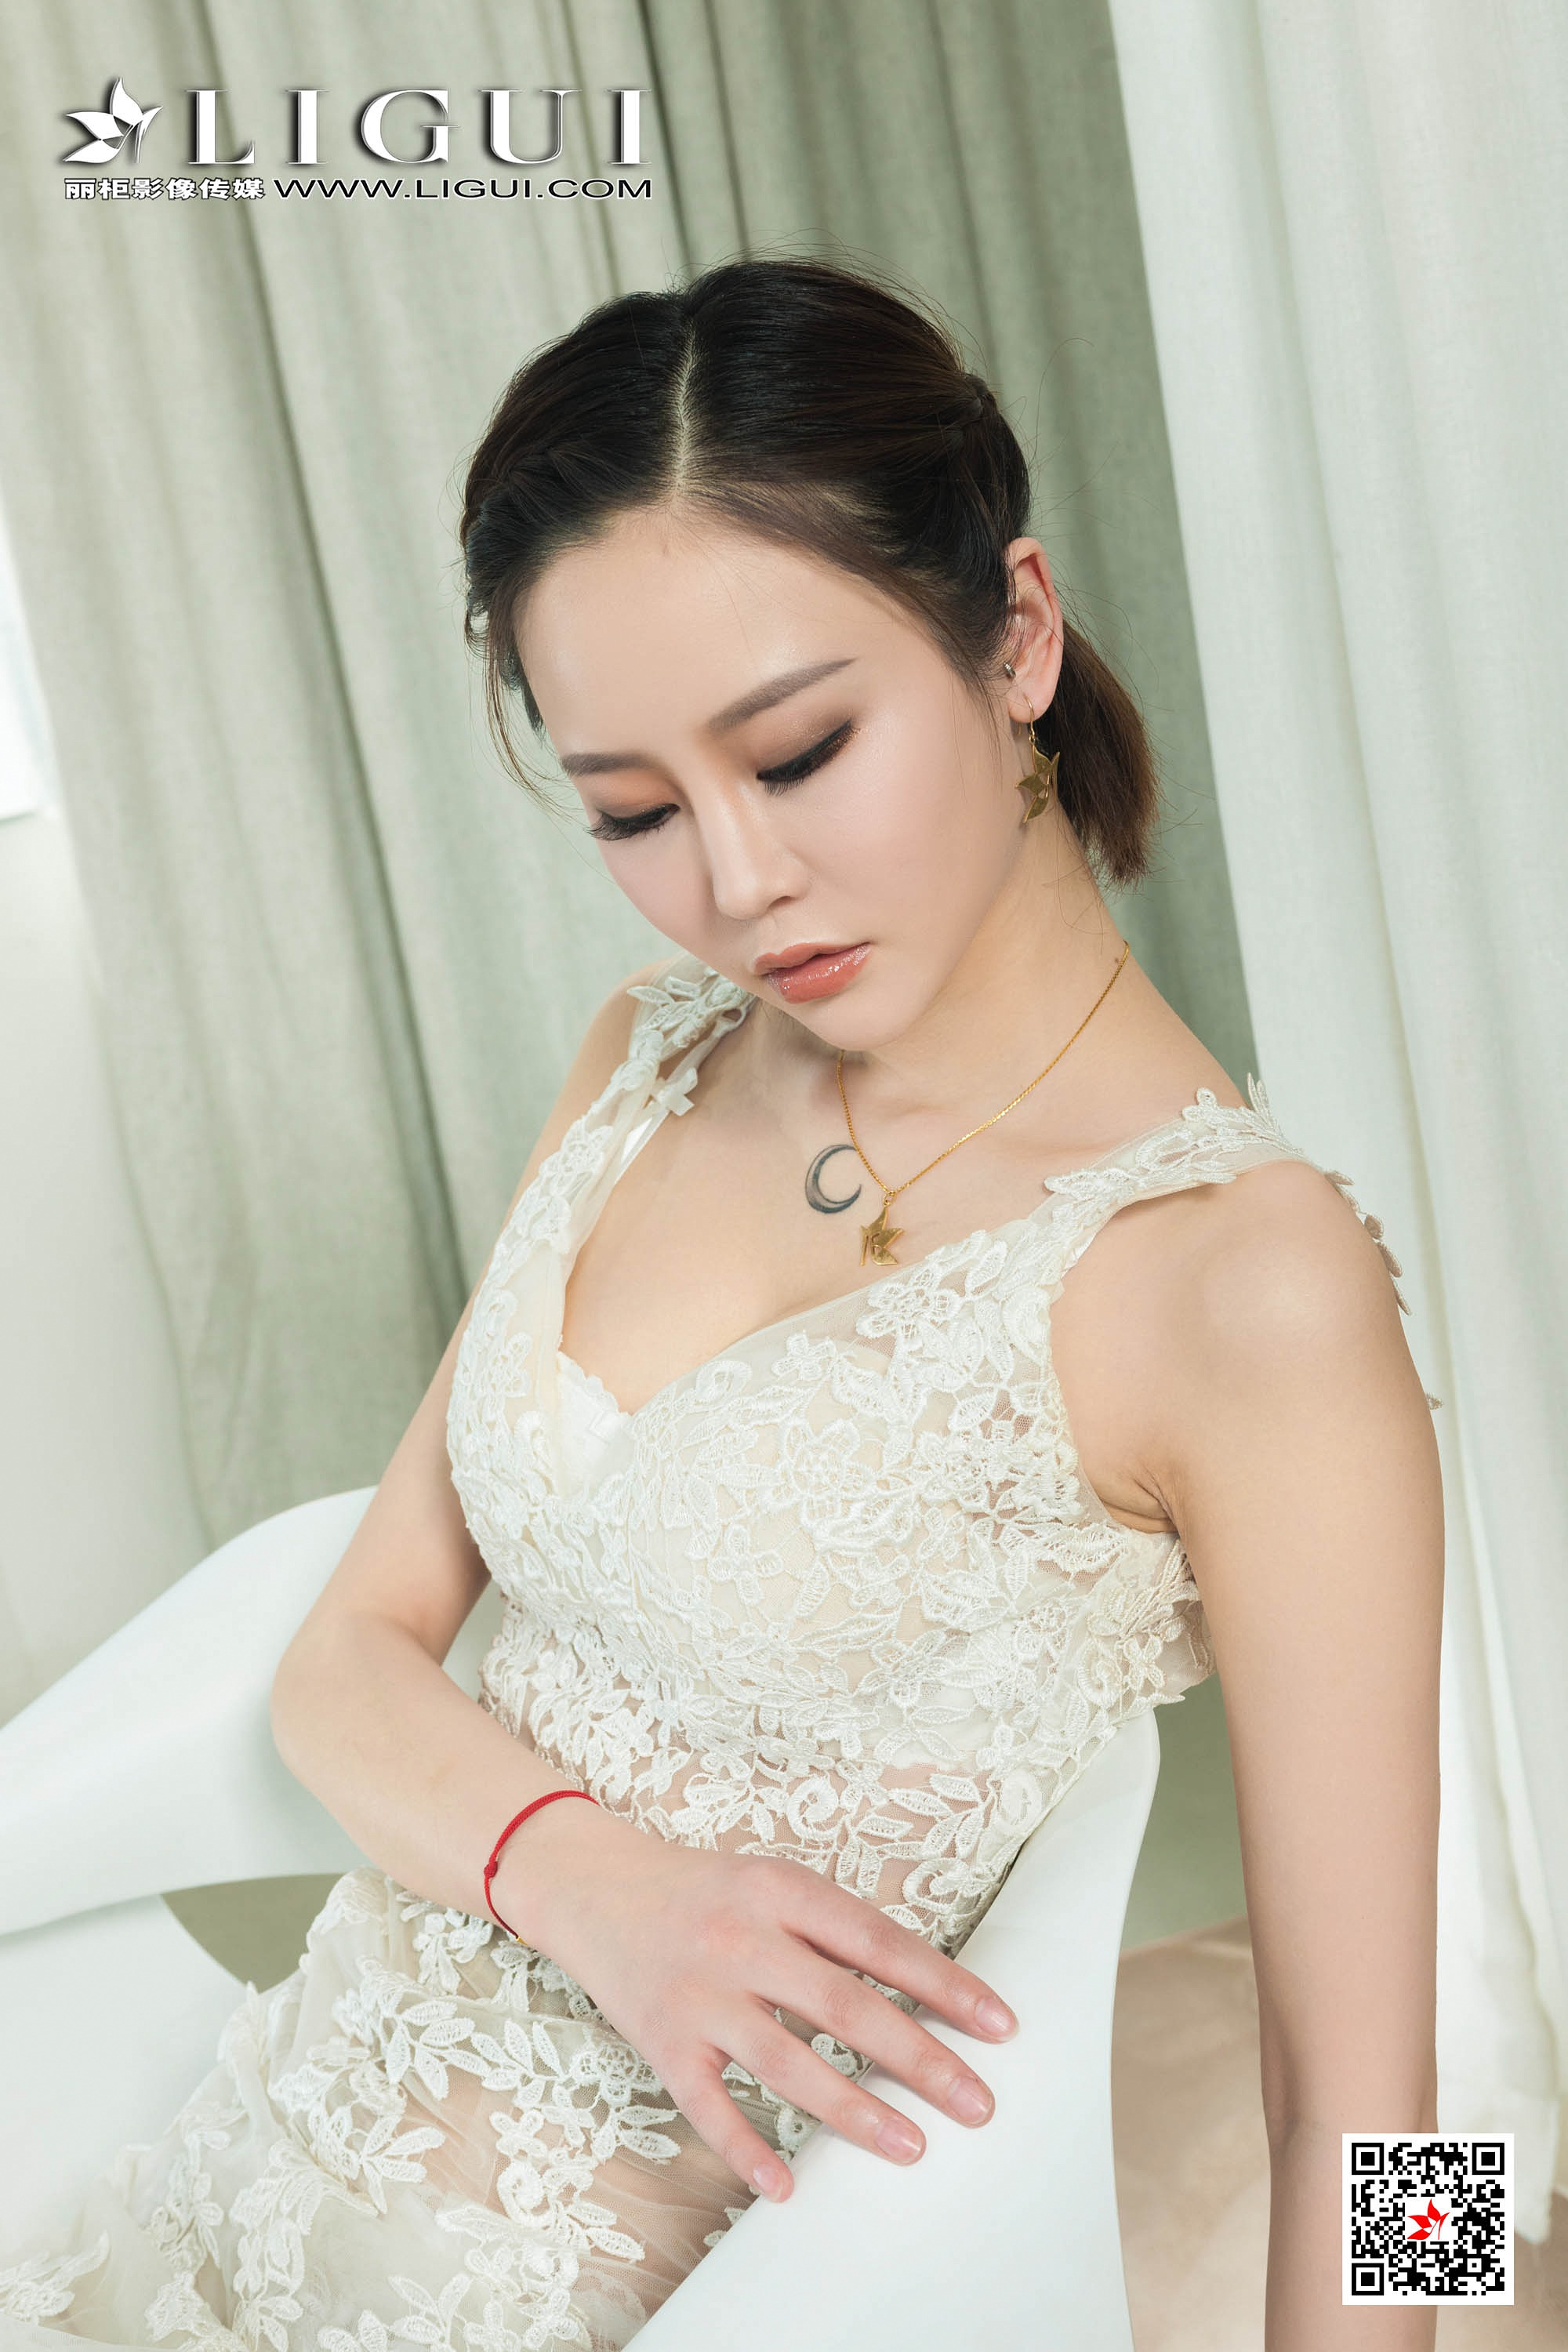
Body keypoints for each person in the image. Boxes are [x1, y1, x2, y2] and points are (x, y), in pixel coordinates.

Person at [0, 256, 1443, 2352]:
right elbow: (347, 1662)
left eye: (800, 751)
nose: (738, 883)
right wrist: (597, 1882)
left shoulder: (1244, 1287)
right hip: (214, 2203)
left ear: (1017, 635)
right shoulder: (647, 1060)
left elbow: (1381, 2109)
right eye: (634, 810)